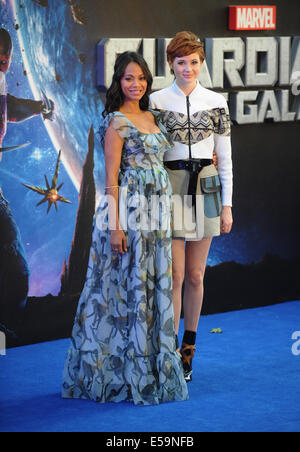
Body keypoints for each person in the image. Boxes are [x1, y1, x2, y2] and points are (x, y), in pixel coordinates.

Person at [62, 51, 188, 406]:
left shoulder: (154, 117)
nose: (136, 84)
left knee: (152, 285)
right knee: (121, 288)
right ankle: (119, 371)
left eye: (142, 78)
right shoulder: (115, 121)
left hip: (157, 217)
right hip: (129, 214)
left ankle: (153, 366)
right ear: (119, 82)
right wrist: (116, 227)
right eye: (129, 78)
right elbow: (111, 179)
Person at [150, 31, 233, 382]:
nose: (188, 68)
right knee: (176, 276)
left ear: (202, 62)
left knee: (197, 275)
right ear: (170, 63)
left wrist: (227, 205)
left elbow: (226, 160)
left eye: (194, 62)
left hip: (209, 185)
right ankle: (167, 349)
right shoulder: (155, 101)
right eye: (181, 62)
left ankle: (188, 351)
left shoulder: (217, 101)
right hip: (171, 187)